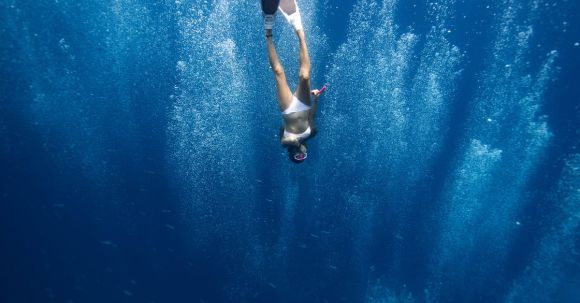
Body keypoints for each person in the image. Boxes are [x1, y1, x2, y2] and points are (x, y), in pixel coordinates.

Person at [262, 0, 326, 164]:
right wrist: (317, 98)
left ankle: (268, 29)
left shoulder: (286, 143)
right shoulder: (310, 134)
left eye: (297, 156)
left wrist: (296, 146)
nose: (301, 154)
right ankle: (298, 26)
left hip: (288, 109)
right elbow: (312, 116)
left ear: (291, 154)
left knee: (279, 72)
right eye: (303, 156)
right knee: (305, 75)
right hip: (305, 106)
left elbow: (290, 142)